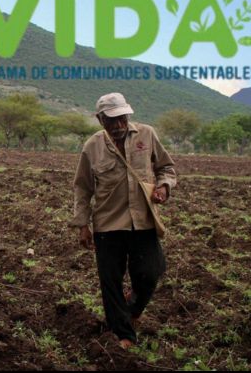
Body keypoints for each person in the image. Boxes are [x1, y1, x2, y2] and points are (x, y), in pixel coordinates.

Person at [71, 93, 177, 349]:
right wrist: (82, 225)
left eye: (122, 118)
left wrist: (163, 186)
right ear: (100, 119)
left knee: (150, 273)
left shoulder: (147, 134)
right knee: (111, 281)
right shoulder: (92, 146)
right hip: (108, 224)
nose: (119, 125)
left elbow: (167, 168)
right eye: (112, 120)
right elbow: (83, 188)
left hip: (143, 221)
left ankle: (134, 308)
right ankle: (124, 335)